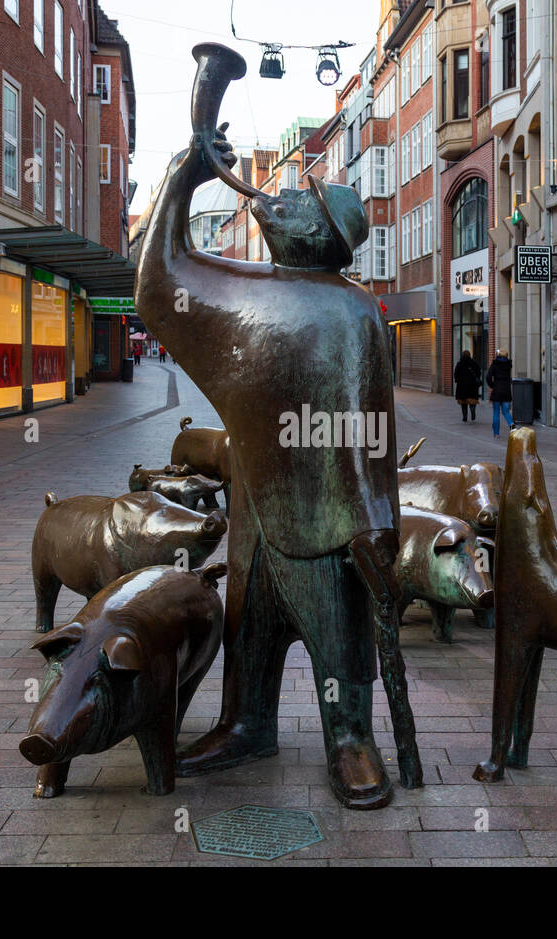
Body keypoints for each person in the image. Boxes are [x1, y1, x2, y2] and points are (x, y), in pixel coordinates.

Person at [135, 121, 414, 810]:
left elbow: (369, 429)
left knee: (338, 641)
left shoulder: (352, 312)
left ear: (322, 234)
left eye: (299, 200)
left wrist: (377, 521)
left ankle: (350, 737)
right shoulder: (250, 288)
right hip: (256, 513)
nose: (279, 197)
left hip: (328, 521)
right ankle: (246, 721)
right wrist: (181, 178)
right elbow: (158, 283)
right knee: (247, 633)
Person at [486, 347, 514, 436]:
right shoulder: (508, 365)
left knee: (496, 412)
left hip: (497, 390)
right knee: (506, 411)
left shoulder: (495, 364)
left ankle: (496, 433)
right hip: (506, 390)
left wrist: (492, 385)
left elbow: (488, 376)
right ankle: (511, 424)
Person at [453, 349, 481, 422]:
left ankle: (465, 417)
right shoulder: (474, 363)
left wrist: (458, 381)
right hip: (472, 386)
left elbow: (456, 374)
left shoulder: (459, 364)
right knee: (472, 400)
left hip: (462, 386)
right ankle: (473, 412)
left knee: (463, 402)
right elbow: (478, 372)